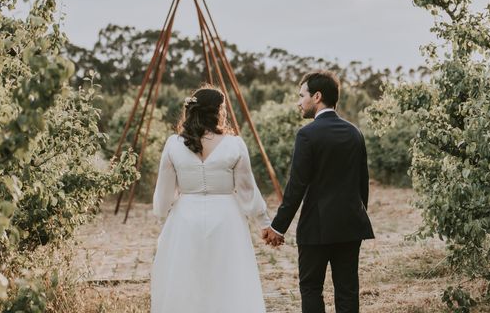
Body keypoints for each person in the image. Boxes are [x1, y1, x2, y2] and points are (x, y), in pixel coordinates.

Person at [262, 70, 375, 313]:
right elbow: (362, 183)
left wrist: (278, 227)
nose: (298, 101)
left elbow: (296, 187)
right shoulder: (355, 132)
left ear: (317, 96)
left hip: (316, 227)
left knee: (311, 288)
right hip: (350, 225)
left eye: (301, 95)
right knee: (347, 290)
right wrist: (357, 213)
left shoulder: (307, 135)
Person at [151, 86, 270, 313]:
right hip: (227, 218)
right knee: (228, 278)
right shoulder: (235, 144)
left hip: (185, 218)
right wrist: (263, 222)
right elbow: (247, 190)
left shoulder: (173, 144)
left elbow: (163, 194)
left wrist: (161, 213)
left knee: (187, 278)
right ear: (220, 111)